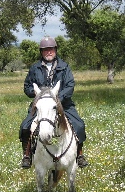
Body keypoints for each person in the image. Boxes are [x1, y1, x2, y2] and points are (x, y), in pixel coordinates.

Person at [19, 36, 88, 169]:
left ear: (55, 50)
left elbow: (70, 86)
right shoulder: (35, 68)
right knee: (25, 127)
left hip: (63, 104)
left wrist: (58, 99)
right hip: (41, 105)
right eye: (45, 50)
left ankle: (79, 154)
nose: (48, 52)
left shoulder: (64, 67)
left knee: (79, 125)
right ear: (41, 52)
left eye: (51, 49)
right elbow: (27, 86)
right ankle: (27, 155)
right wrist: (37, 94)